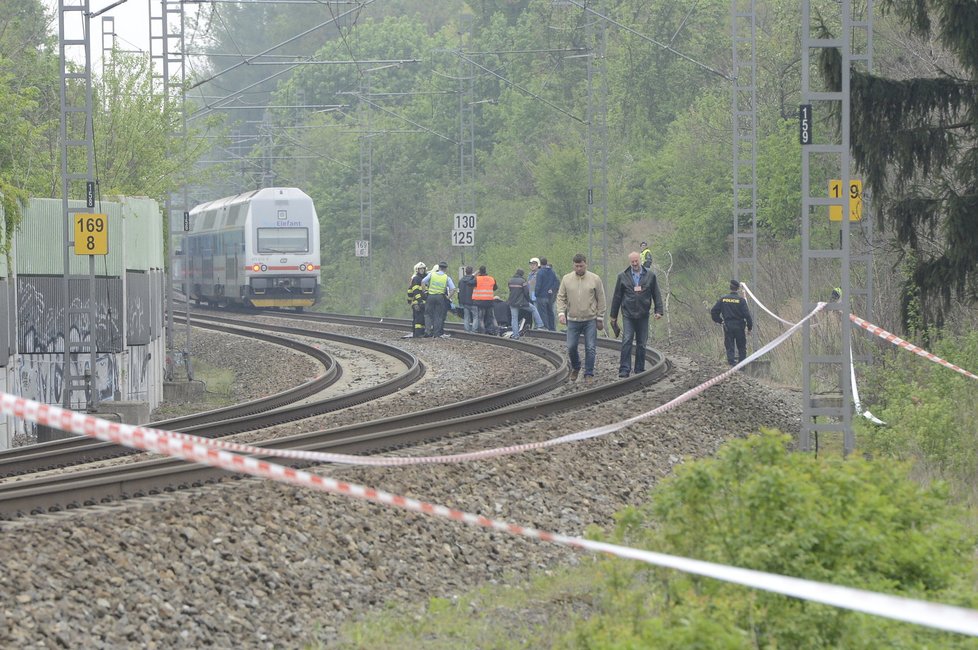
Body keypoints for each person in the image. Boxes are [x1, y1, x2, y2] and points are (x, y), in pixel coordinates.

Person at [609, 251, 663, 378]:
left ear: (640, 260)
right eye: (632, 262)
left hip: (643, 314)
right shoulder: (622, 276)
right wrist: (613, 316)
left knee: (642, 342)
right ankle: (624, 369)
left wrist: (658, 311)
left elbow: (656, 293)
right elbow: (617, 297)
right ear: (629, 262)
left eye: (636, 261)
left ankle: (639, 369)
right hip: (628, 313)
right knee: (627, 340)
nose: (634, 264)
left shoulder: (650, 275)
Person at [556, 253, 606, 383]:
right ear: (573, 265)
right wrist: (561, 313)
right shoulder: (566, 279)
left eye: (581, 266)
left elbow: (601, 298)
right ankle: (576, 367)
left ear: (586, 264)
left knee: (590, 347)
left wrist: (600, 317)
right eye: (576, 266)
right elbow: (561, 297)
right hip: (572, 319)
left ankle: (589, 373)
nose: (578, 268)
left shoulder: (595, 279)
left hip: (590, 319)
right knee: (571, 346)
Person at [711, 279, 753, 366]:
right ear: (737, 289)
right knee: (741, 347)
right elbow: (747, 315)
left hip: (728, 326)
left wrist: (720, 321)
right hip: (739, 326)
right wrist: (749, 328)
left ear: (730, 288)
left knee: (730, 347)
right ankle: (741, 367)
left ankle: (731, 366)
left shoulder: (723, 299)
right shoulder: (741, 300)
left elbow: (713, 311)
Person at [423, 261, 456, 338]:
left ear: (439, 268)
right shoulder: (446, 277)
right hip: (440, 297)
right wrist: (448, 297)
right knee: (438, 315)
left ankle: (427, 331)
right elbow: (453, 289)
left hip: (430, 296)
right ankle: (436, 333)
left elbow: (423, 281)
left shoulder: (432, 274)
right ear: (445, 269)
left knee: (428, 314)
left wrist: (424, 291)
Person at [506, 268, 542, 340]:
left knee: (514, 318)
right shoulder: (523, 281)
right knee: (533, 309)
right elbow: (526, 292)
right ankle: (540, 325)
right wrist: (528, 300)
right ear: (522, 274)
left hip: (512, 302)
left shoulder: (510, 281)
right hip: (522, 302)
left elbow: (510, 290)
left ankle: (515, 335)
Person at [534, 257, 559, 331]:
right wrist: (552, 289)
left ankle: (546, 327)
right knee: (550, 312)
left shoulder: (540, 272)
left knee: (543, 313)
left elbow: (538, 284)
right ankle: (552, 328)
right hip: (550, 296)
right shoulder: (552, 272)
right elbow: (557, 282)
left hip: (541, 296)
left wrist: (536, 293)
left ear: (540, 264)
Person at [472, 266, 498, 334]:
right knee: (492, 317)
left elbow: (468, 282)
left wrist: (474, 274)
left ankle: (483, 332)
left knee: (481, 318)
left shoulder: (477, 279)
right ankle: (496, 330)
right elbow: (495, 288)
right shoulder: (491, 279)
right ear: (486, 271)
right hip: (490, 301)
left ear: (479, 271)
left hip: (480, 302)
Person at [407, 261, 428, 338]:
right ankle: (417, 334)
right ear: (417, 270)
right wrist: (419, 302)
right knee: (418, 319)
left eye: (423, 269)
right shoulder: (416, 279)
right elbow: (415, 291)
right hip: (417, 302)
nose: (422, 270)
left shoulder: (426, 278)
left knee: (422, 318)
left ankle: (421, 333)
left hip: (425, 302)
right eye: (420, 269)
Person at [525, 258, 545, 330]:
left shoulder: (539, 274)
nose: (532, 266)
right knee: (534, 311)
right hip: (531, 296)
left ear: (538, 265)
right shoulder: (530, 275)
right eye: (531, 264)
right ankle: (536, 325)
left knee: (538, 311)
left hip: (537, 296)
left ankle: (539, 326)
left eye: (534, 264)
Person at [458, 266, 478, 332]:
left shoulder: (461, 281)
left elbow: (459, 291)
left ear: (465, 272)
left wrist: (460, 301)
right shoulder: (474, 281)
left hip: (465, 302)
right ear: (472, 271)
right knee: (475, 316)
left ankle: (467, 330)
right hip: (473, 301)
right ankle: (474, 330)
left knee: (466, 317)